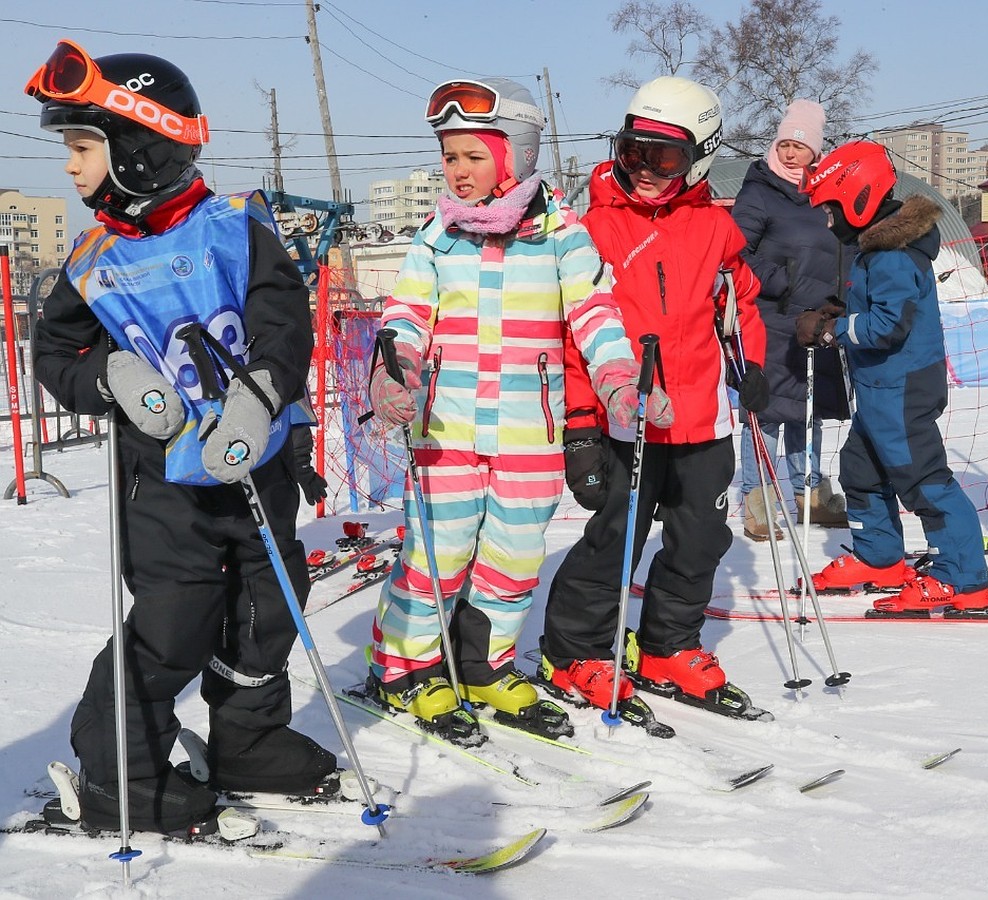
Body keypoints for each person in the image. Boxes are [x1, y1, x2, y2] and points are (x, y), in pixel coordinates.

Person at [28, 41, 336, 833]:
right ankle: (118, 772)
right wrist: (113, 379)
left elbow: (283, 325)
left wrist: (261, 397)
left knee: (269, 607)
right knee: (176, 621)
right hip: (161, 481)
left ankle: (248, 739)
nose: (70, 166)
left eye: (83, 147)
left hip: (254, 463)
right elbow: (57, 350)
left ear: (139, 146)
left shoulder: (237, 227)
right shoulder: (93, 259)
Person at [365, 77, 653, 743]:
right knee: (435, 554)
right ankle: (406, 668)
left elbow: (594, 312)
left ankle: (486, 665)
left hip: (531, 431)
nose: (458, 171)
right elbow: (407, 314)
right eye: (450, 157)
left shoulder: (561, 234)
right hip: (445, 430)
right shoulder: (436, 236)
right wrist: (394, 371)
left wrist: (616, 380)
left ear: (516, 154)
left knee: (513, 557)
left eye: (473, 156)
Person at [539, 76, 770, 717]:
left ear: (699, 154)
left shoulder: (715, 230)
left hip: (703, 417)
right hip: (626, 419)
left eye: (663, 157)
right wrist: (583, 426)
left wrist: (753, 365)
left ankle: (669, 644)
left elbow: (740, 304)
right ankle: (577, 648)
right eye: (633, 151)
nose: (644, 170)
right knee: (616, 535)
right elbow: (574, 333)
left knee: (700, 539)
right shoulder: (593, 230)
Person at [794, 140, 988, 613]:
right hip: (880, 389)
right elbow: (879, 310)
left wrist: (834, 331)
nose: (828, 220)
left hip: (902, 387)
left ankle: (962, 578)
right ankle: (879, 557)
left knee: (922, 479)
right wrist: (842, 310)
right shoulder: (877, 251)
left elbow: (890, 326)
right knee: (861, 468)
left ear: (860, 196)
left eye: (831, 207)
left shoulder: (892, 254)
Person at [730, 98, 849, 540]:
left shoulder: (825, 193)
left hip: (817, 321)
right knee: (764, 412)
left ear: (816, 151)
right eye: (784, 143)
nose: (791, 152)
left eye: (800, 146)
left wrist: (841, 296)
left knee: (809, 408)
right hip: (771, 317)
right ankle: (757, 500)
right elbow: (735, 249)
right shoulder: (760, 190)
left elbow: (844, 245)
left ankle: (810, 493)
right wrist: (780, 282)